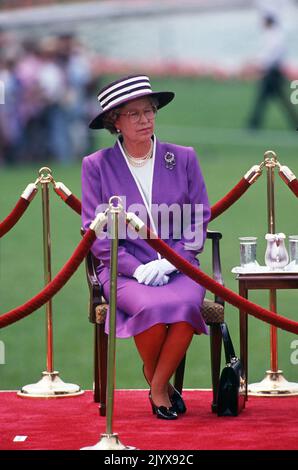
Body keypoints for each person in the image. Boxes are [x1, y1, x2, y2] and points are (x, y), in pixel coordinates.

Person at [81, 75, 211, 420]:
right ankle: (163, 387)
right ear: (115, 122)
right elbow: (95, 231)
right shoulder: (96, 166)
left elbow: (200, 217)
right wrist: (135, 268)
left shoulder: (183, 158)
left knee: (185, 305)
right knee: (150, 312)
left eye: (149, 111)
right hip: (126, 271)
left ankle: (155, 385)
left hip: (179, 267)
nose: (145, 120)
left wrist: (172, 262)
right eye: (134, 114)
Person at [248, 13, 298, 130]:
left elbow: (271, 54)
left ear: (268, 22)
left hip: (273, 73)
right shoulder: (274, 35)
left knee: (268, 100)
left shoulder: (274, 36)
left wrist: (260, 64)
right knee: (267, 100)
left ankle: (253, 125)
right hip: (273, 72)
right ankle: (253, 124)